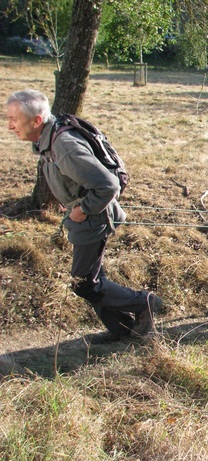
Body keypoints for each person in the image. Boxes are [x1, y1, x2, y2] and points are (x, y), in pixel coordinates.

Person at [6, 89, 162, 337]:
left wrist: (82, 208)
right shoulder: (48, 138)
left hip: (95, 218)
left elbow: (107, 185)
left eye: (13, 119)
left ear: (36, 120)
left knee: (84, 284)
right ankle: (123, 329)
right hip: (87, 215)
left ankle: (145, 303)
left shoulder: (64, 146)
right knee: (94, 275)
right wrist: (70, 200)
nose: (9, 126)